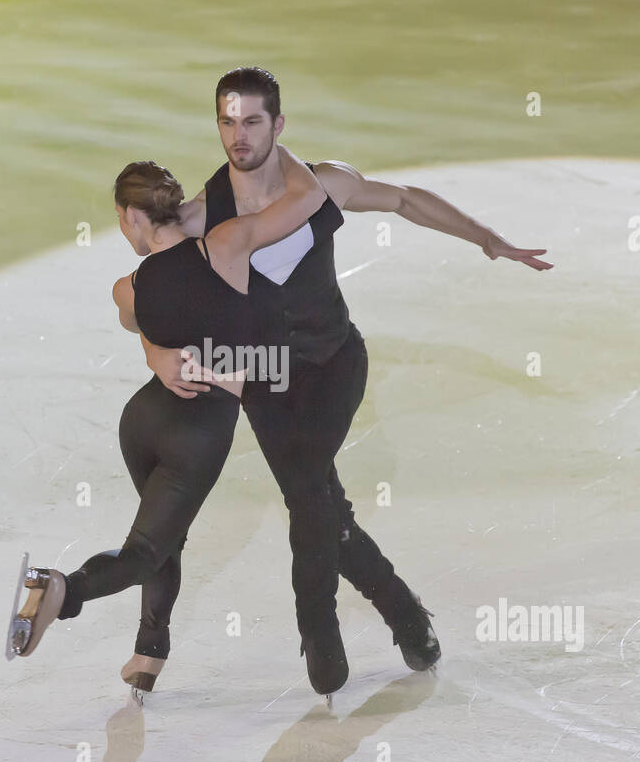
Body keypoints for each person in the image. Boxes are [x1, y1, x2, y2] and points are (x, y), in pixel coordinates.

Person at [143, 67, 553, 696]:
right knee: (324, 509)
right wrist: (155, 354)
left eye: (252, 120)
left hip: (334, 363)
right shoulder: (204, 215)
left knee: (308, 490)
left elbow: (406, 199)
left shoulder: (324, 184)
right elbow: (146, 297)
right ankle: (406, 614)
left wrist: (487, 239)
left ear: (278, 124)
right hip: (267, 379)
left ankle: (318, 626)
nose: (239, 135)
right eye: (227, 121)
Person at [9, 145, 326, 699]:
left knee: (163, 538)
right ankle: (64, 588)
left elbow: (147, 330)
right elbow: (310, 197)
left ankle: (149, 653)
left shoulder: (126, 289)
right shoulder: (226, 246)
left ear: (132, 217)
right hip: (198, 431)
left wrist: (157, 355)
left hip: (145, 419)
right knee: (148, 549)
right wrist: (274, 142)